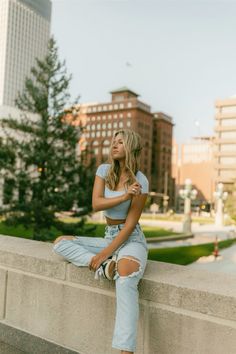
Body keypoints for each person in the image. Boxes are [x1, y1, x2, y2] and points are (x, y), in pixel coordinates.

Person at [53, 129, 149, 354]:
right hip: (108, 236)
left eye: (120, 142)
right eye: (113, 142)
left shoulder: (141, 180)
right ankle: (106, 267)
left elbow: (129, 225)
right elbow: (96, 204)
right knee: (60, 243)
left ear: (131, 148)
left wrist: (105, 252)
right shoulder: (104, 171)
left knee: (125, 279)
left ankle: (125, 351)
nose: (114, 146)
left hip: (131, 239)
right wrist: (125, 196)